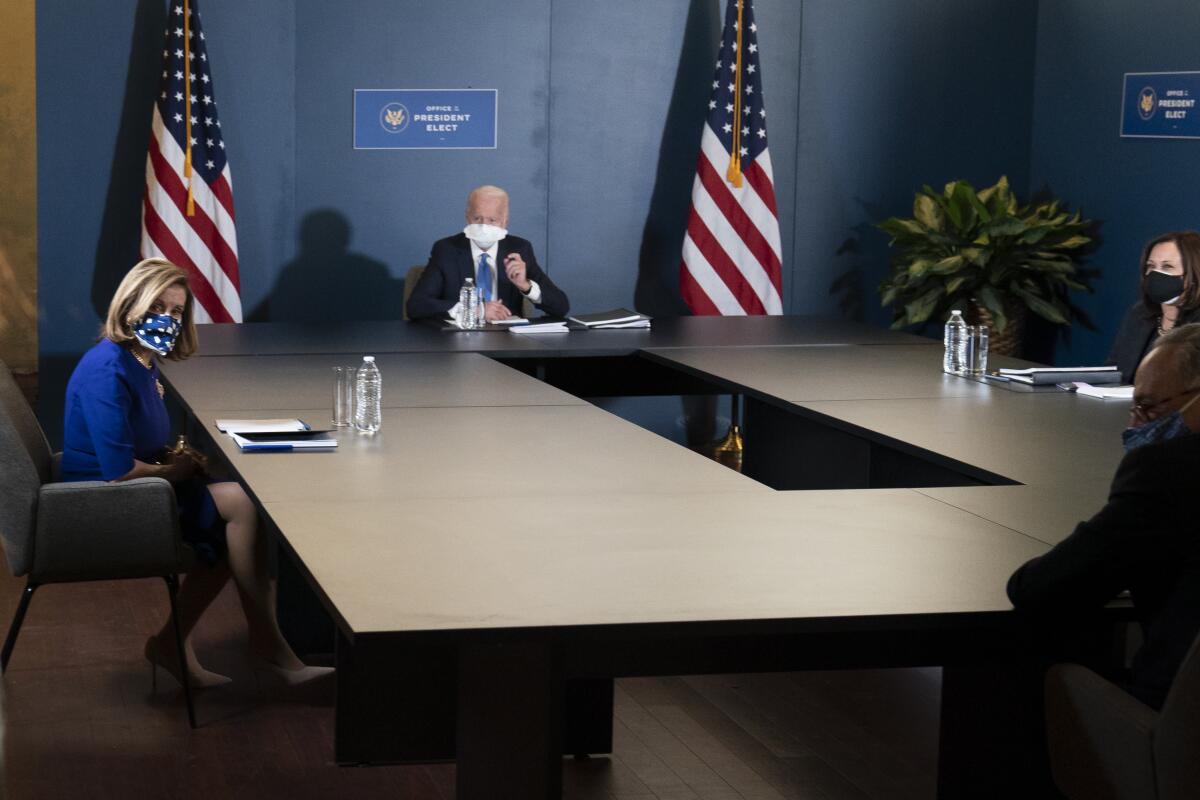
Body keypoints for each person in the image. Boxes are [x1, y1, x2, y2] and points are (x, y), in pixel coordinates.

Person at [62, 258, 330, 689]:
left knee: (233, 526)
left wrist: (173, 459)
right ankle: (269, 649)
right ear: (130, 306)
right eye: (157, 309)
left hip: (137, 489)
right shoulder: (107, 369)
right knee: (242, 507)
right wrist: (177, 469)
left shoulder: (142, 362)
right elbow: (117, 471)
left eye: (175, 313)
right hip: (98, 502)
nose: (166, 320)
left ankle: (186, 645)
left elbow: (135, 443)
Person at [1008, 323, 1200, 710]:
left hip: (1177, 725)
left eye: (1148, 408)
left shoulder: (1165, 471)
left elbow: (1043, 588)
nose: (1134, 426)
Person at [406, 185, 569, 322]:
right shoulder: (447, 249)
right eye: (477, 218)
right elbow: (416, 306)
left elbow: (561, 307)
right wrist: (475, 310)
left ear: (505, 221)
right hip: (458, 343)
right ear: (467, 218)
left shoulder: (519, 249)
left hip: (509, 344)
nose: (484, 226)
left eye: (492, 220)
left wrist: (526, 286)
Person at [1108, 231, 1200, 383]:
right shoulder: (1139, 314)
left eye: (1167, 266)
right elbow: (1115, 371)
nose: (1155, 274)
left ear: (1194, 272)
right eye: (1151, 266)